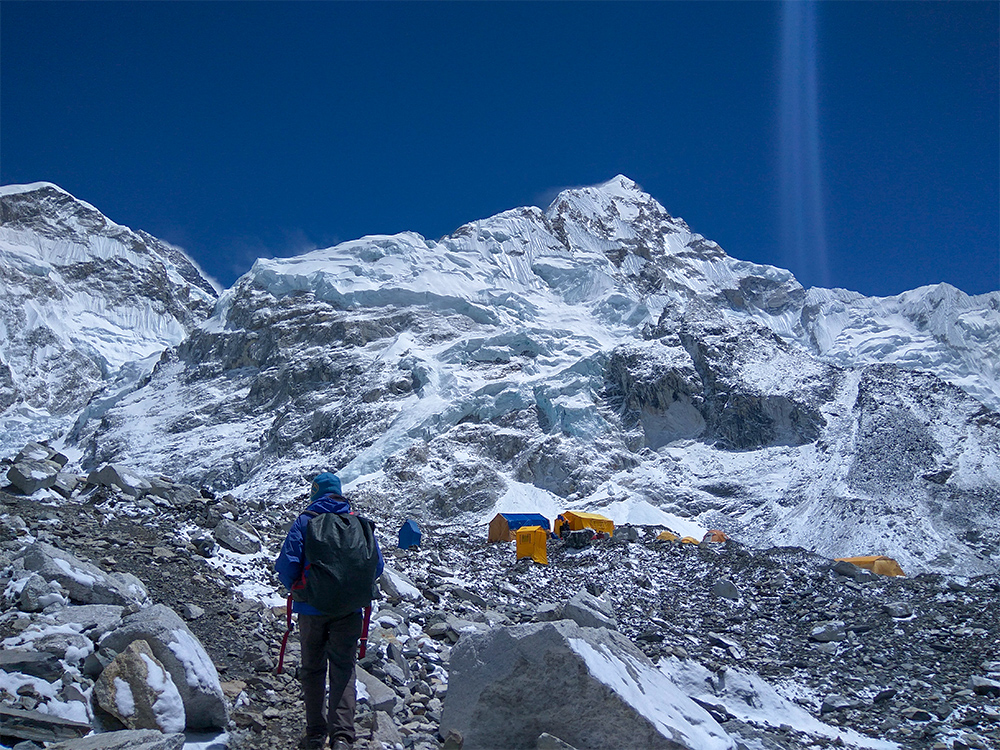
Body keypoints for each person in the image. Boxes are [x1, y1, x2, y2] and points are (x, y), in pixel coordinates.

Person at [276, 472, 384, 750]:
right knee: (343, 669)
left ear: (315, 493)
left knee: (312, 669)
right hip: (349, 610)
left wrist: (301, 590)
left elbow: (286, 566)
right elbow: (378, 567)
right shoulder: (359, 523)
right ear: (339, 493)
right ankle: (342, 738)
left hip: (311, 611)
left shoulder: (304, 521)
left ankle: (315, 734)